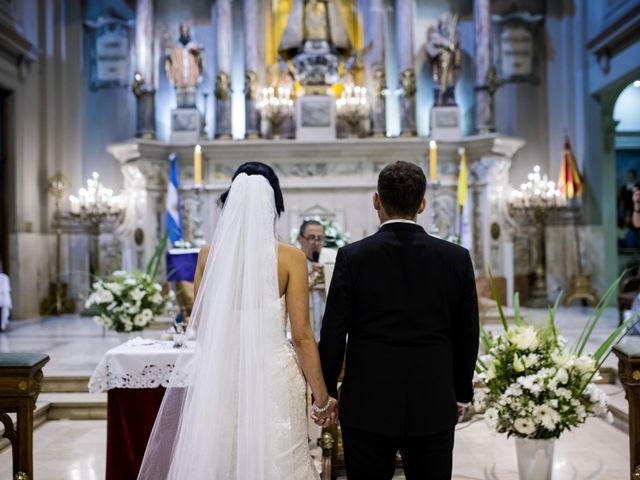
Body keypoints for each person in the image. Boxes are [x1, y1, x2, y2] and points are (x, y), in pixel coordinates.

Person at [138, 162, 337, 479]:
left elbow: (202, 324)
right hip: (274, 375)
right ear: (273, 203)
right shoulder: (290, 258)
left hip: (222, 373)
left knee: (224, 459)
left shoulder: (208, 254)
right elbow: (301, 336)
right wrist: (323, 398)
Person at [319, 160, 479, 479]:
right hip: (433, 401)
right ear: (422, 204)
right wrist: (461, 392)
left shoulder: (352, 257)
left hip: (367, 404)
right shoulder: (456, 258)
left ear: (376, 200)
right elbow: (467, 335)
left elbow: (334, 331)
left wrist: (326, 394)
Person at [298, 219, 337, 339]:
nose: (315, 242)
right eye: (311, 237)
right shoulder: (294, 258)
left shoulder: (333, 256)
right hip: (303, 312)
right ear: (300, 238)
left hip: (326, 310)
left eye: (320, 238)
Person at [0, 261, 11, 332]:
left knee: (3, 313)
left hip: (3, 299)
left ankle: (2, 326)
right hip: (3, 299)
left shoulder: (4, 278)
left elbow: (6, 290)